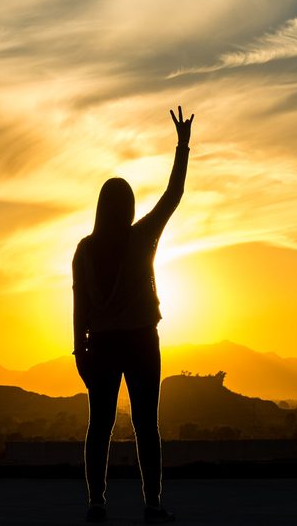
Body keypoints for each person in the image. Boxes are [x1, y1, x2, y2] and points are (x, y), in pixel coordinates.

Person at [72, 106, 193, 524]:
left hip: (102, 345)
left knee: (99, 426)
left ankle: (96, 503)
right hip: (141, 340)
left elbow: (79, 307)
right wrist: (182, 146)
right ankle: (152, 503)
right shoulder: (142, 237)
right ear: (128, 207)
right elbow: (173, 196)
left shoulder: (85, 249)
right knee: (146, 425)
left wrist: (80, 353)